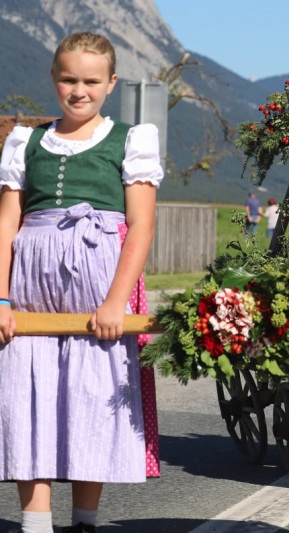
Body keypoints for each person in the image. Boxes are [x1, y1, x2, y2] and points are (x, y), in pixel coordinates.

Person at [0, 32, 163, 533]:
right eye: (69, 79)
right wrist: (0, 297)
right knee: (27, 391)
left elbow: (141, 224)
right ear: (53, 77)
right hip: (30, 281)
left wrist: (117, 301)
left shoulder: (131, 139)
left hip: (99, 279)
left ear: (111, 83)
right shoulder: (25, 141)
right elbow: (6, 223)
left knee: (92, 393)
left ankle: (85, 522)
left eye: (91, 81)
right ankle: (35, 524)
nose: (79, 90)